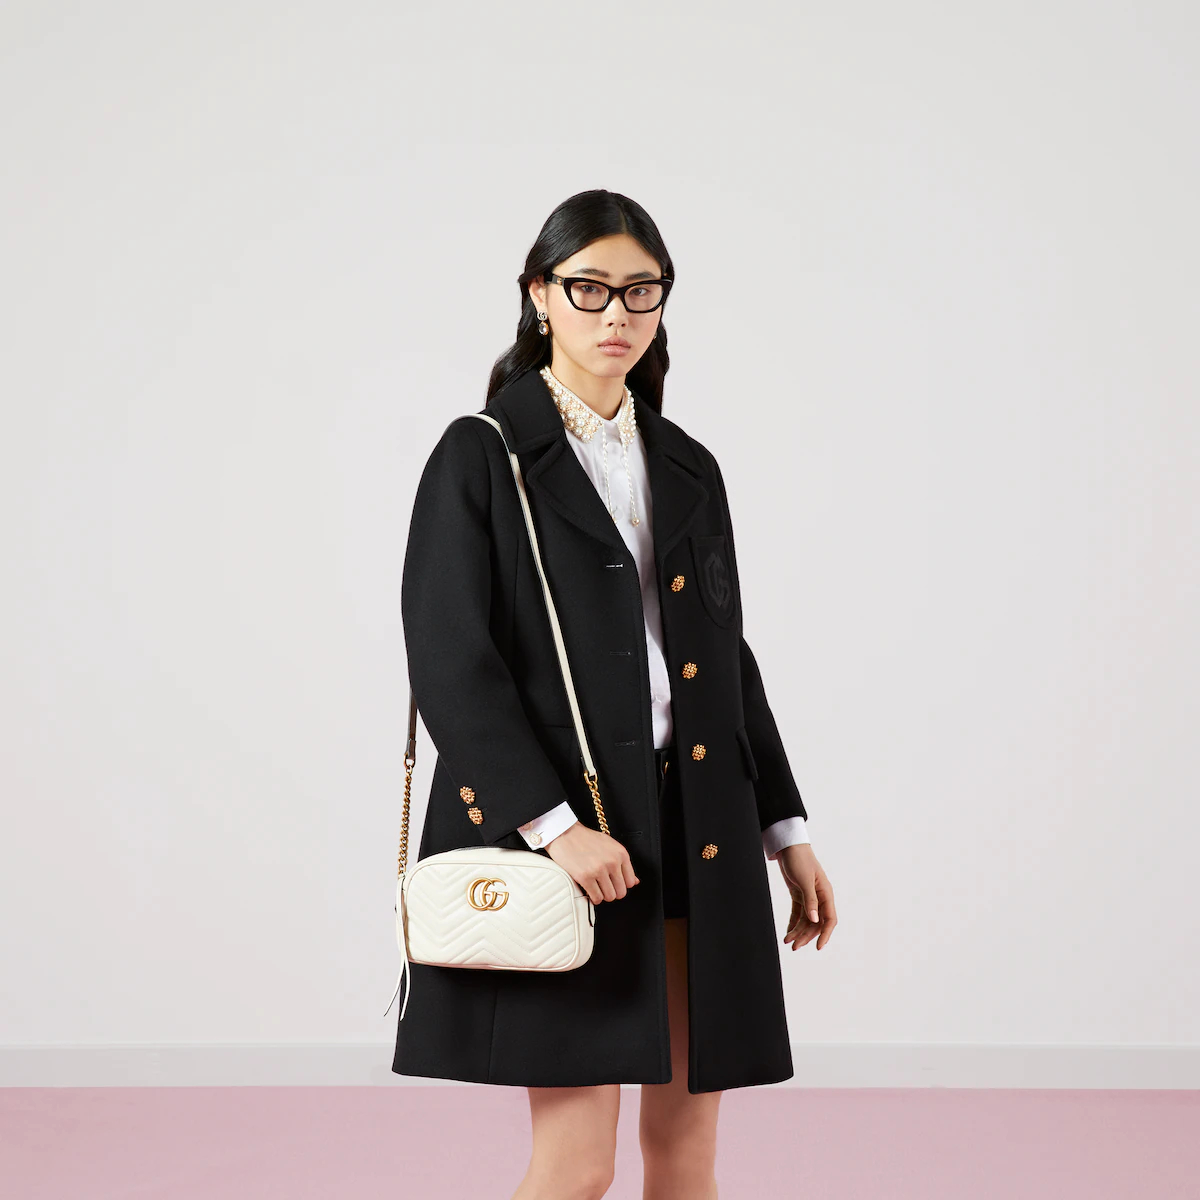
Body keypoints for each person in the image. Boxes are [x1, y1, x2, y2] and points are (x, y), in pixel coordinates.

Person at [393, 188, 838, 1200]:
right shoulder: (484, 454)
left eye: (642, 291)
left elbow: (725, 660)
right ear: (539, 294)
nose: (616, 314)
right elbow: (451, 662)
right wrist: (555, 829)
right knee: (577, 1167)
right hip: (575, 842)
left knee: (686, 1159)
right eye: (589, 288)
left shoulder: (687, 466)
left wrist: (785, 829)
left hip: (700, 831)